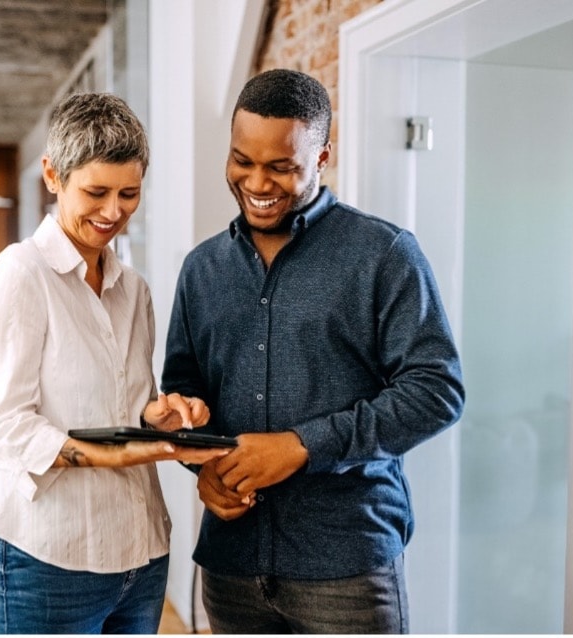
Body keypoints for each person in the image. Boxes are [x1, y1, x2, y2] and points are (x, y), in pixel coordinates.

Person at [161, 69, 465, 634]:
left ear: (323, 156)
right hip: (230, 566)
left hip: (347, 572)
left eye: (281, 166)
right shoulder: (201, 269)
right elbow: (185, 391)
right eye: (242, 161)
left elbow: (436, 391)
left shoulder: (384, 254)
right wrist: (198, 463)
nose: (257, 181)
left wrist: (302, 446)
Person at [0, 92, 228, 635]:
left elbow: (123, 402)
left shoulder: (133, 290)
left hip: (142, 553)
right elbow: (3, 429)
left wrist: (156, 416)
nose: (113, 212)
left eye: (129, 194)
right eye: (96, 192)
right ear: (52, 176)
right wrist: (116, 455)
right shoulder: (20, 277)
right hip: (50, 558)